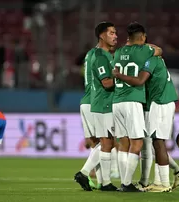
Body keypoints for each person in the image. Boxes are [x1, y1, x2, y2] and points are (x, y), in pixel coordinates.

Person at [112, 22, 178, 192]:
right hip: (136, 100)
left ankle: (159, 183)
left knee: (134, 142)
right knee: (144, 142)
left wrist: (119, 75)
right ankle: (136, 183)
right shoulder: (147, 53)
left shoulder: (118, 52)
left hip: (121, 101)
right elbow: (159, 50)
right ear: (142, 38)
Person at [75, 22, 118, 192]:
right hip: (95, 101)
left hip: (88, 100)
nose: (116, 36)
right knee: (106, 142)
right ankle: (85, 173)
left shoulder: (91, 54)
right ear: (101, 35)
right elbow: (105, 81)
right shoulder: (101, 55)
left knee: (99, 143)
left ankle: (102, 182)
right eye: (112, 33)